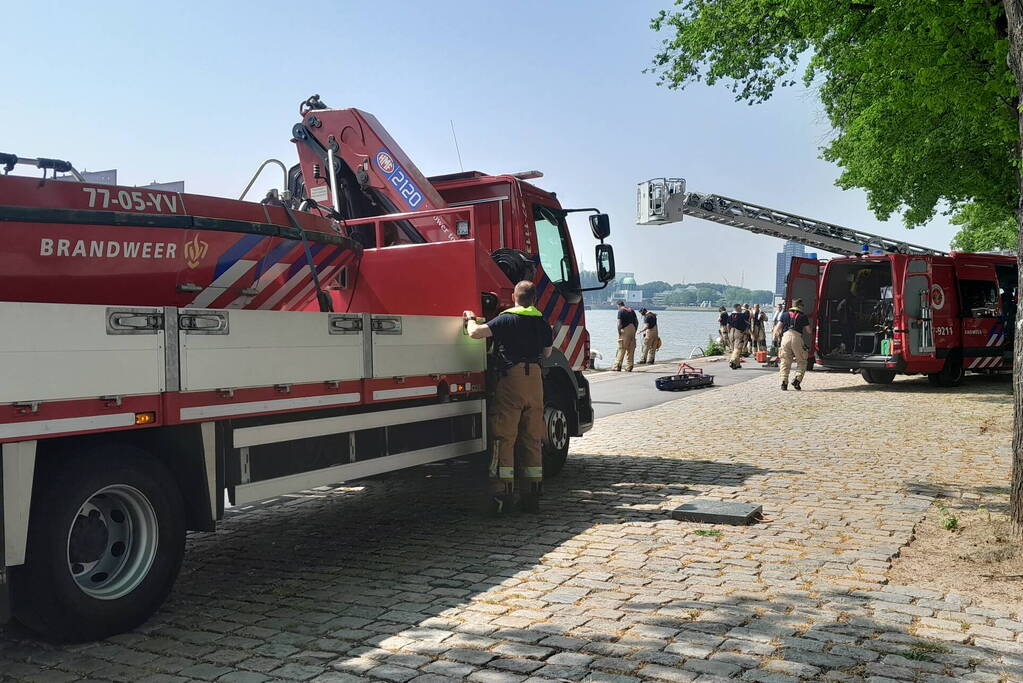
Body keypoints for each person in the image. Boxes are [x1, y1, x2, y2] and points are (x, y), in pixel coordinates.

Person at [465, 281, 553, 514]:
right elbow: (547, 353)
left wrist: (470, 318)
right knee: (532, 438)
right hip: (535, 382)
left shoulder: (506, 319)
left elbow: (475, 333)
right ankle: (532, 496)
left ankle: (501, 496)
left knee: (504, 438)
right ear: (534, 299)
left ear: (514, 296)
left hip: (512, 381)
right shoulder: (542, 321)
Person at [773, 298, 811, 391]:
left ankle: (784, 382)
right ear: (799, 306)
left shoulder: (784, 314)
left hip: (785, 338)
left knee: (785, 361)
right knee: (802, 361)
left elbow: (777, 328)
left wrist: (777, 338)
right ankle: (797, 379)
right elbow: (808, 331)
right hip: (797, 338)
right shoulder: (803, 316)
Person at [613, 300, 638, 371]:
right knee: (631, 349)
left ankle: (617, 366)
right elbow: (636, 322)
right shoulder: (632, 310)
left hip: (625, 331)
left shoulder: (621, 311)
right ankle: (629, 366)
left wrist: (619, 332)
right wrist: (635, 330)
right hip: (633, 330)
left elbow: (619, 323)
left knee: (622, 348)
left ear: (618, 305)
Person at [727, 303, 749, 369]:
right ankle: (732, 360)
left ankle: (737, 364)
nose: (741, 309)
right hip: (739, 332)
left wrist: (729, 332)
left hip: (731, 332)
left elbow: (728, 325)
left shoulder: (730, 315)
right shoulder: (742, 315)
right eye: (740, 308)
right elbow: (746, 324)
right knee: (738, 348)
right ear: (737, 308)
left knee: (733, 348)